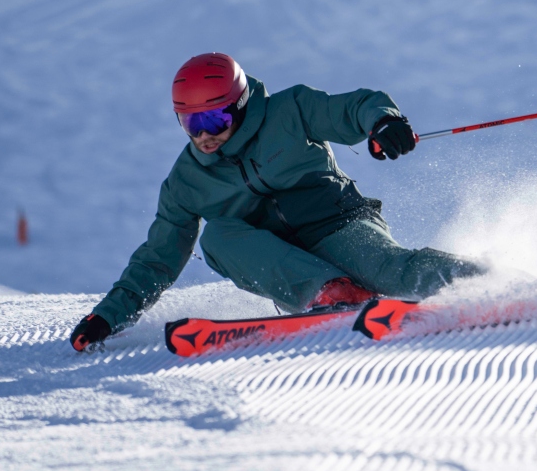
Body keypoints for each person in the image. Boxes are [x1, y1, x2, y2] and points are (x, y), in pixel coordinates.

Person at [69, 54, 484, 351]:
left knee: (391, 270)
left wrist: (383, 121)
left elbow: (355, 106)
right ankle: (332, 294)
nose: (203, 136)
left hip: (338, 225)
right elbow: (157, 258)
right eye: (190, 123)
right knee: (216, 237)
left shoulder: (290, 111)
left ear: (240, 105)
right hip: (289, 268)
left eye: (214, 120)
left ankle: (492, 284)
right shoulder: (185, 182)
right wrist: (109, 315)